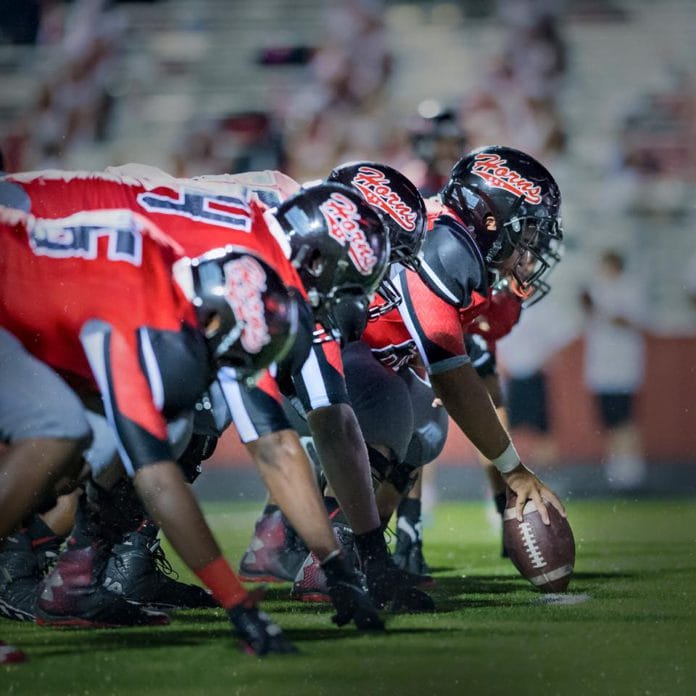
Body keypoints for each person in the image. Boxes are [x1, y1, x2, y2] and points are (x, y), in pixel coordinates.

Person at [0, 167, 394, 630]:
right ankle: (24, 560)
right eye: (341, 286)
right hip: (32, 244)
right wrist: (341, 567)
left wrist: (339, 568)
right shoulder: (253, 271)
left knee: (146, 428)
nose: (338, 305)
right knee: (88, 432)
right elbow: (272, 442)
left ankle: (80, 573)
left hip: (54, 252)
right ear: (315, 259)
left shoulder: (254, 239)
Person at [0, 204, 299, 655]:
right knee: (56, 427)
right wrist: (238, 604)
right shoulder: (143, 323)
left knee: (82, 442)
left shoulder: (157, 267)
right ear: (212, 321)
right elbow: (158, 479)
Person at [580, 249, 648, 490]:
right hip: (601, 369)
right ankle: (615, 471)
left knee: (625, 420)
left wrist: (599, 310)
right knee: (609, 421)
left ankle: (631, 472)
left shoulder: (630, 289)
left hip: (623, 368)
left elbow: (629, 320)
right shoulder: (597, 288)